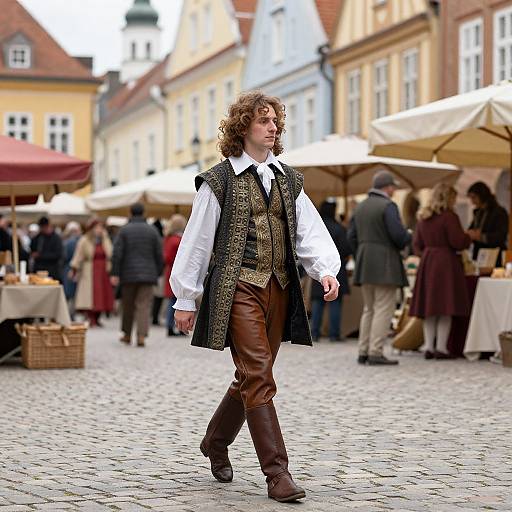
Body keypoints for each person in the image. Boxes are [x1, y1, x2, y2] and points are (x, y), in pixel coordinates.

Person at [170, 91, 340, 503]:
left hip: (280, 289)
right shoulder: (218, 180)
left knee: (250, 376)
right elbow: (197, 240)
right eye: (264, 121)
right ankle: (277, 475)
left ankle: (214, 441)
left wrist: (325, 270)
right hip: (238, 289)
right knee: (260, 375)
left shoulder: (289, 180)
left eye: (275, 121)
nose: (273, 127)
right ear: (243, 127)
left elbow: (309, 232)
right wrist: (186, 297)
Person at [348, 170, 411, 366]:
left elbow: (351, 237)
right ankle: (376, 351)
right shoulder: (388, 206)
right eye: (393, 187)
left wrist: (361, 253)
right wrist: (408, 235)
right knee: (384, 308)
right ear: (388, 187)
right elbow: (398, 236)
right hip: (385, 263)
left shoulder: (360, 207)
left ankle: (363, 351)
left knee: (369, 309)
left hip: (365, 262)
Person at [409, 184, 471, 359]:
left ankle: (429, 346)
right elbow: (458, 241)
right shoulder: (449, 217)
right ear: (448, 198)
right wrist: (468, 238)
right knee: (445, 306)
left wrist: (428, 254)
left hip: (428, 263)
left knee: (430, 307)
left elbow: (416, 245)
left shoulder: (423, 218)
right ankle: (441, 348)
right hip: (446, 264)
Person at [111, 203, 163, 347]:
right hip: (148, 274)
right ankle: (141, 335)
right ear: (143, 212)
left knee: (128, 305)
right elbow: (159, 254)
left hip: (128, 275)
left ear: (130, 212)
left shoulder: (124, 230)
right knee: (144, 306)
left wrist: (115, 272)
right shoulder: (152, 231)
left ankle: (127, 334)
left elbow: (117, 254)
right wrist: (157, 272)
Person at [310, 199, 352, 341]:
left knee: (317, 301)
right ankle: (334, 334)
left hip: (317, 266)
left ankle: (314, 333)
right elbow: (346, 249)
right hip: (336, 268)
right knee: (335, 301)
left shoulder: (315, 227)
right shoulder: (339, 228)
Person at [70, 219, 114, 327]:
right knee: (91, 295)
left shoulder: (105, 240)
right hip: (89, 269)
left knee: (102, 294)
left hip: (103, 270)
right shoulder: (84, 240)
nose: (99, 230)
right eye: (97, 227)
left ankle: (98, 317)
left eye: (101, 227)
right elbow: (78, 255)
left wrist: (106, 238)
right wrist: (74, 268)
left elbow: (110, 253)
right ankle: (91, 318)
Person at [467, 181, 508, 266]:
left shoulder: (499, 212)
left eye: (474, 198)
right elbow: (471, 229)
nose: (472, 202)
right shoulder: (478, 212)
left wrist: (481, 237)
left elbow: (501, 236)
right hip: (480, 256)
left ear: (481, 196)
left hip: (494, 257)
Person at [163, 214, 187, 337]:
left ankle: (172, 326)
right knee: (174, 300)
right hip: (177, 272)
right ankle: (171, 326)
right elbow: (169, 257)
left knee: (174, 299)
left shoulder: (169, 238)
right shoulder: (176, 240)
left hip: (171, 271)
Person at [30, 216, 63, 281]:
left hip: (52, 271)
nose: (44, 229)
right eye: (42, 227)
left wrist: (40, 255)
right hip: (38, 270)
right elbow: (32, 249)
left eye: (45, 227)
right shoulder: (37, 238)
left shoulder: (56, 239)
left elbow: (58, 255)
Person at [62, 221, 82, 320]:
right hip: (73, 269)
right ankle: (71, 315)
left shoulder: (67, 242)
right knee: (72, 294)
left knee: (68, 294)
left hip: (68, 268)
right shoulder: (77, 242)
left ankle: (67, 315)